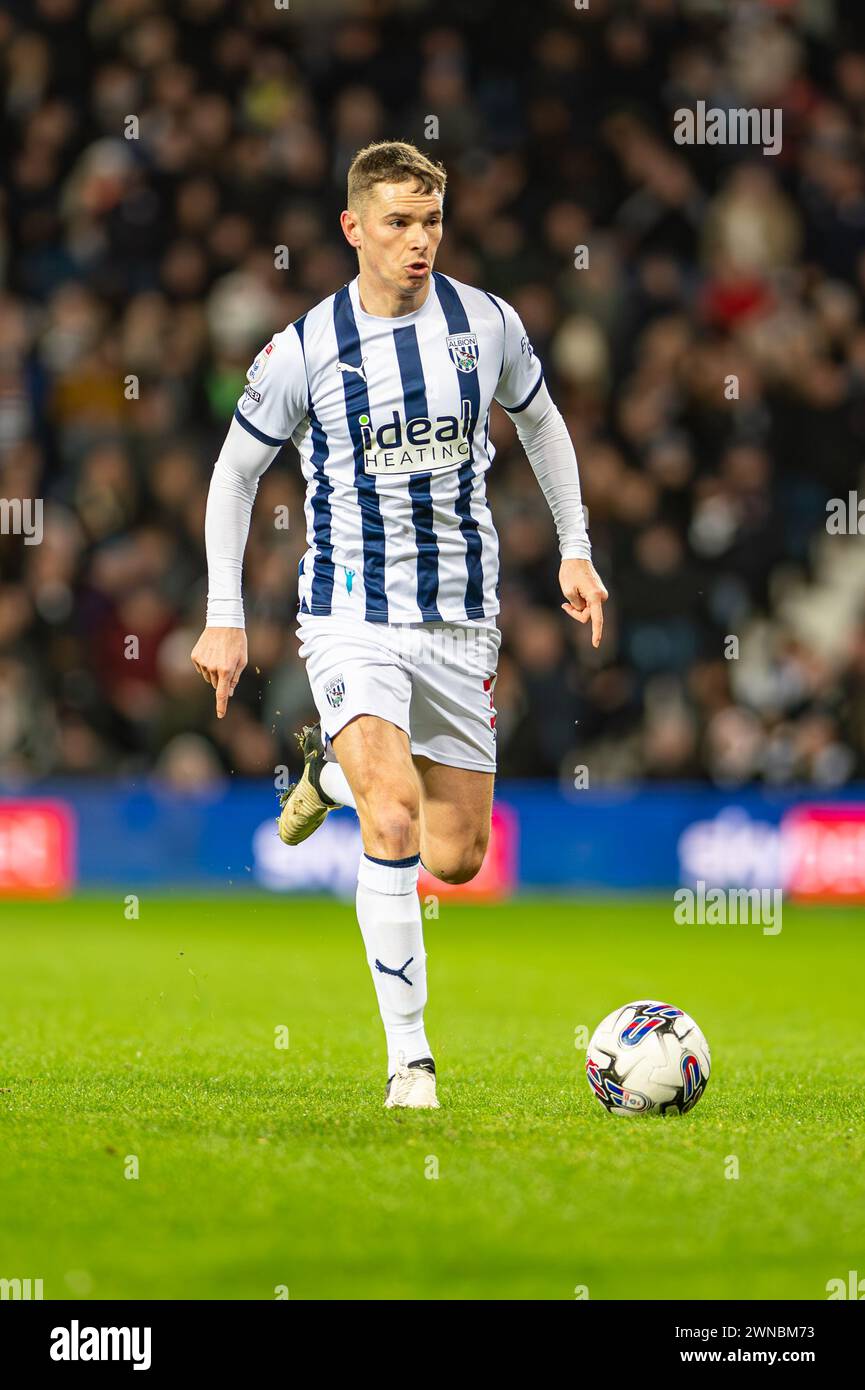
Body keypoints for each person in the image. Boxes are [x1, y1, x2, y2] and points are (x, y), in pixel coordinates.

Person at [191, 141, 608, 1109]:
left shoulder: (487, 324)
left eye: (430, 223)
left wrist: (576, 546)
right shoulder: (306, 346)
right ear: (353, 229)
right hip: (350, 615)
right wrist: (223, 615)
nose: (418, 242)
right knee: (393, 815)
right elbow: (233, 474)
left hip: (462, 621)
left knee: (457, 857)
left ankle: (327, 773)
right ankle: (409, 1063)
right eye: (396, 223)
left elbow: (541, 423)